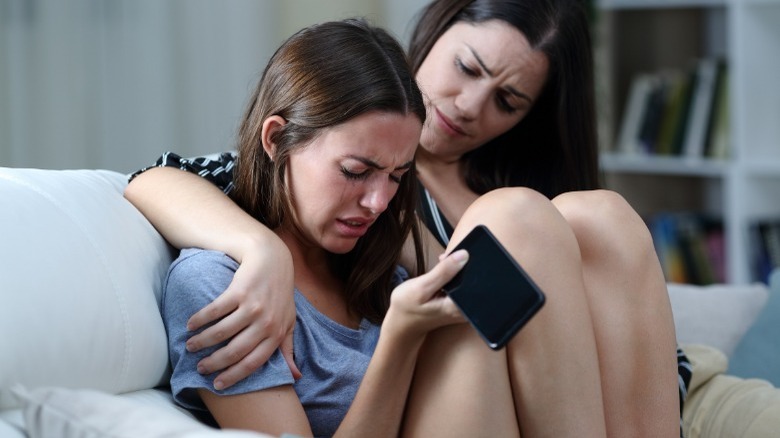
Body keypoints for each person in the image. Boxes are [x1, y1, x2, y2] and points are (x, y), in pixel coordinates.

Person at [127, 1, 683, 436]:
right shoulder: (218, 276)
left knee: (598, 210)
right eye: (355, 170)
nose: (378, 201)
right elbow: (157, 179)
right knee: (511, 217)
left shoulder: (382, 244)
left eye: (397, 178)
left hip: (522, 394)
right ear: (279, 140)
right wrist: (264, 251)